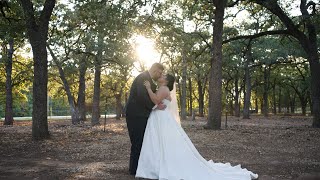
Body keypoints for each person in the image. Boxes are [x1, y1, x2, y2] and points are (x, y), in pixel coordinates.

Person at [136, 74, 259, 180]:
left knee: (159, 142)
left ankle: (156, 168)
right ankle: (155, 167)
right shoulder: (162, 88)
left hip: (161, 119)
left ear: (166, 81)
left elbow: (156, 100)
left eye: (163, 76)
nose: (161, 76)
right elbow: (158, 103)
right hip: (160, 117)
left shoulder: (163, 88)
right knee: (158, 143)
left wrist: (148, 88)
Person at [125, 63, 165, 176]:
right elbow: (142, 97)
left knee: (141, 142)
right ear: (155, 70)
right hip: (136, 115)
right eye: (160, 72)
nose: (160, 74)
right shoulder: (143, 78)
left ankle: (137, 168)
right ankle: (134, 170)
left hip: (141, 115)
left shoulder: (148, 79)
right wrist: (154, 107)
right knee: (137, 142)